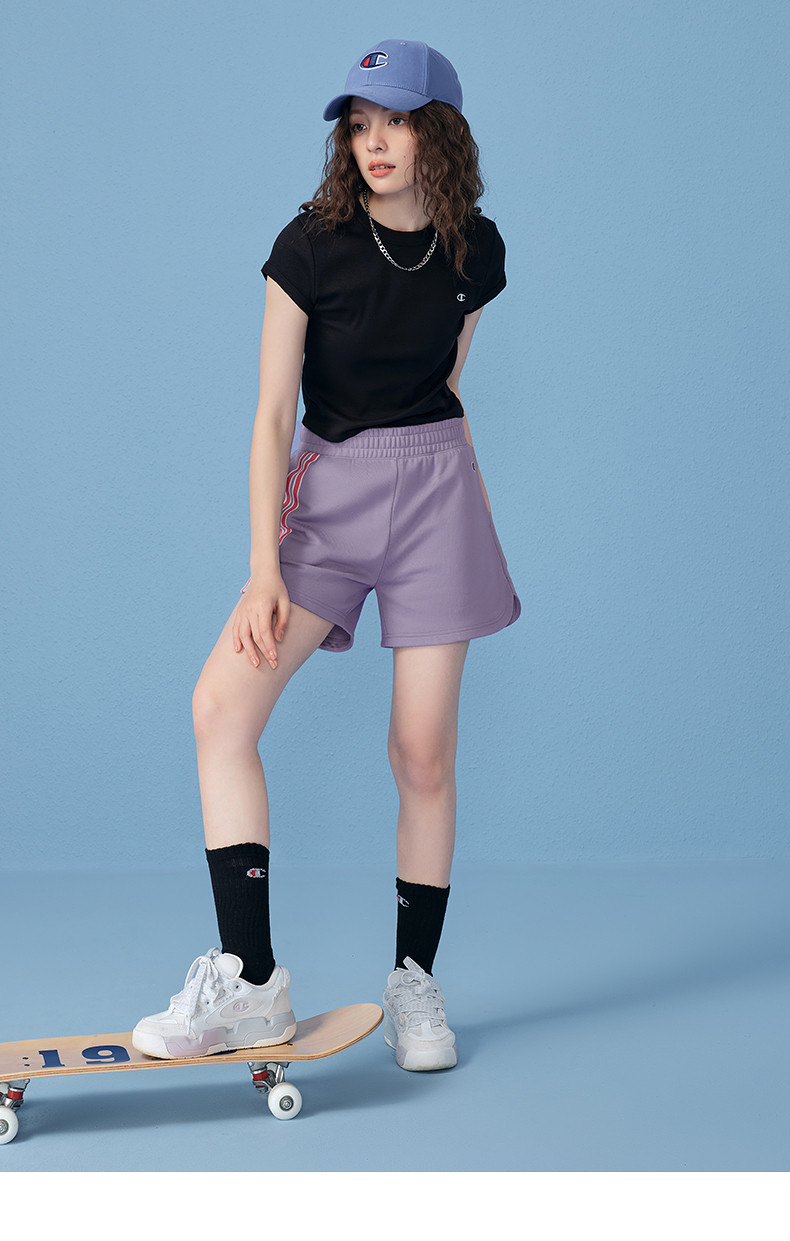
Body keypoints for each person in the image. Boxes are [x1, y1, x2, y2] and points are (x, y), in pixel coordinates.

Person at [132, 38, 521, 1073]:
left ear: (438, 130)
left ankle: (414, 983)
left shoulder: (476, 250)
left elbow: (447, 382)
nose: (373, 142)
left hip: (438, 495)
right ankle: (251, 981)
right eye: (358, 124)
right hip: (329, 500)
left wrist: (456, 490)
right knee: (221, 707)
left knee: (422, 753)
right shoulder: (309, 246)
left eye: (394, 121)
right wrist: (265, 567)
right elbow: (271, 418)